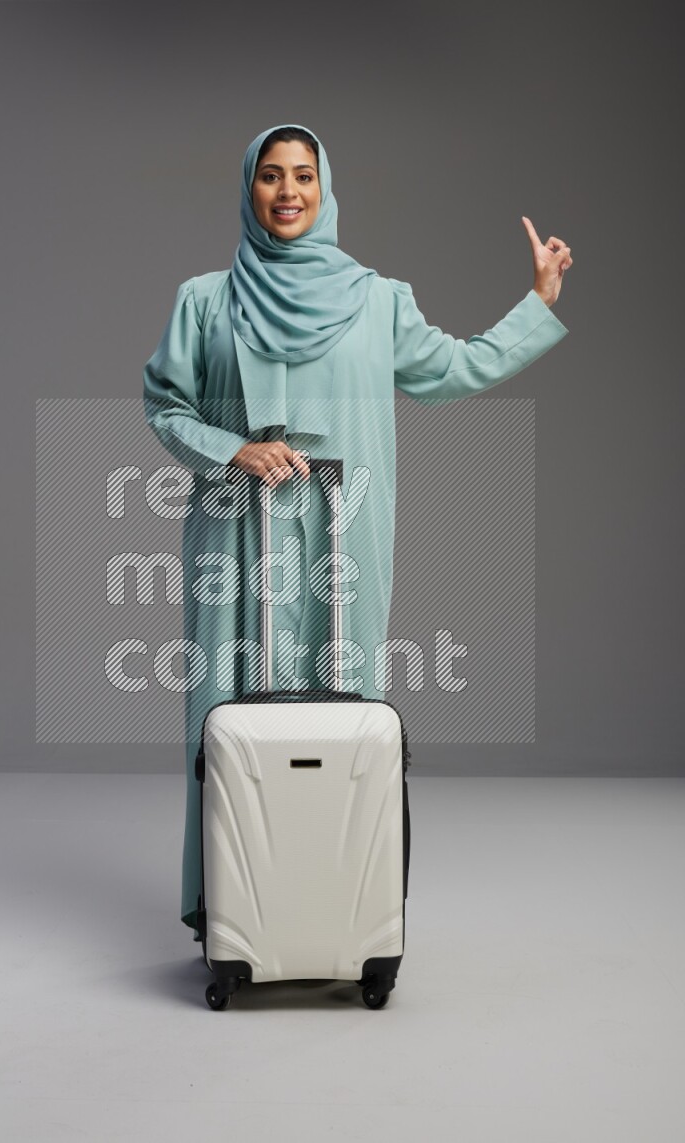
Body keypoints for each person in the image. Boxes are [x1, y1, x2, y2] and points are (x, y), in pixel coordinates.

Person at [143, 124, 572, 937]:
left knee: (342, 712)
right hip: (236, 546)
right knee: (228, 713)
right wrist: (232, 448)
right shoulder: (205, 300)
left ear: (326, 186)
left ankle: (341, 909)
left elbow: (453, 370)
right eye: (271, 176)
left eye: (303, 175)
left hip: (346, 540)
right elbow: (166, 406)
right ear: (250, 190)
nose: (288, 191)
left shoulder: (379, 300)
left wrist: (538, 302)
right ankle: (232, 910)